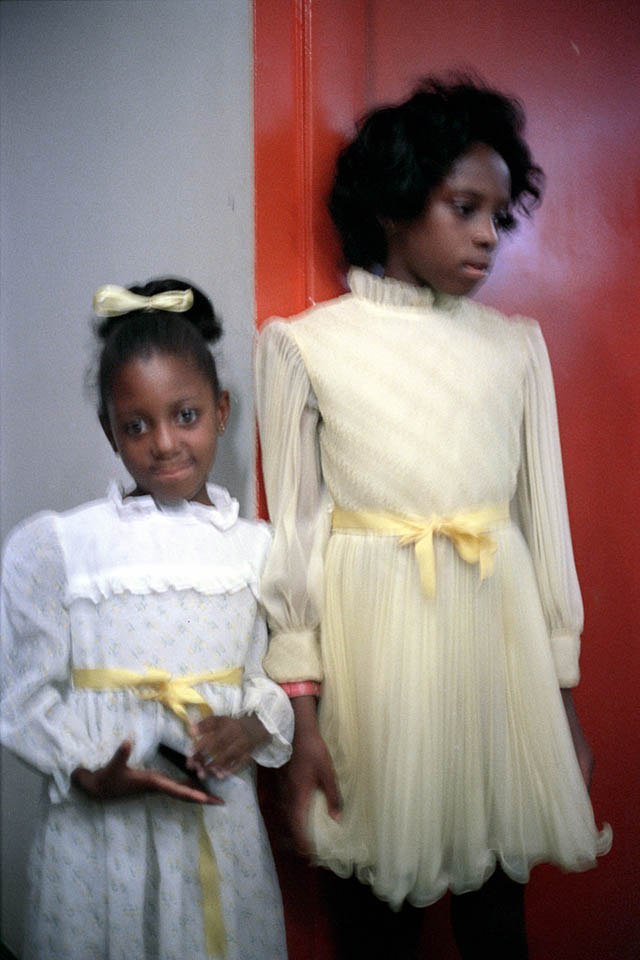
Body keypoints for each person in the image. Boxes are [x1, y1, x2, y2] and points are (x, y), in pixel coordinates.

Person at [255, 77, 611, 958]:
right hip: (377, 669)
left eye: (500, 213)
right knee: (376, 918)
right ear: (393, 207)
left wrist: (559, 700)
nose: (491, 234)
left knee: (498, 910)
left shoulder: (514, 347)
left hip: (498, 661)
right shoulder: (307, 346)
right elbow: (294, 540)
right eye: (465, 208)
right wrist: (302, 715)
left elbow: (544, 524)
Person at [0, 278, 293, 960]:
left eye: (184, 416)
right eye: (137, 425)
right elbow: (24, 695)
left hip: (214, 819)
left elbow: (265, 677)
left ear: (220, 412)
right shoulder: (65, 546)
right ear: (110, 430)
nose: (164, 443)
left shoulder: (255, 550)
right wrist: (80, 768)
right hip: (99, 832)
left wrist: (249, 728)